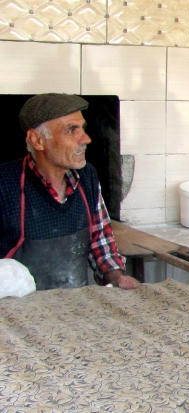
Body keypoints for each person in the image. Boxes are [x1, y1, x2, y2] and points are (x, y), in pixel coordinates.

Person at [0, 93, 139, 290]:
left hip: (74, 303)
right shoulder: (5, 184)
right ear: (37, 140)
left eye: (82, 128)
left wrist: (116, 277)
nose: (86, 139)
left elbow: (100, 241)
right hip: (19, 306)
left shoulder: (87, 176)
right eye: (71, 130)